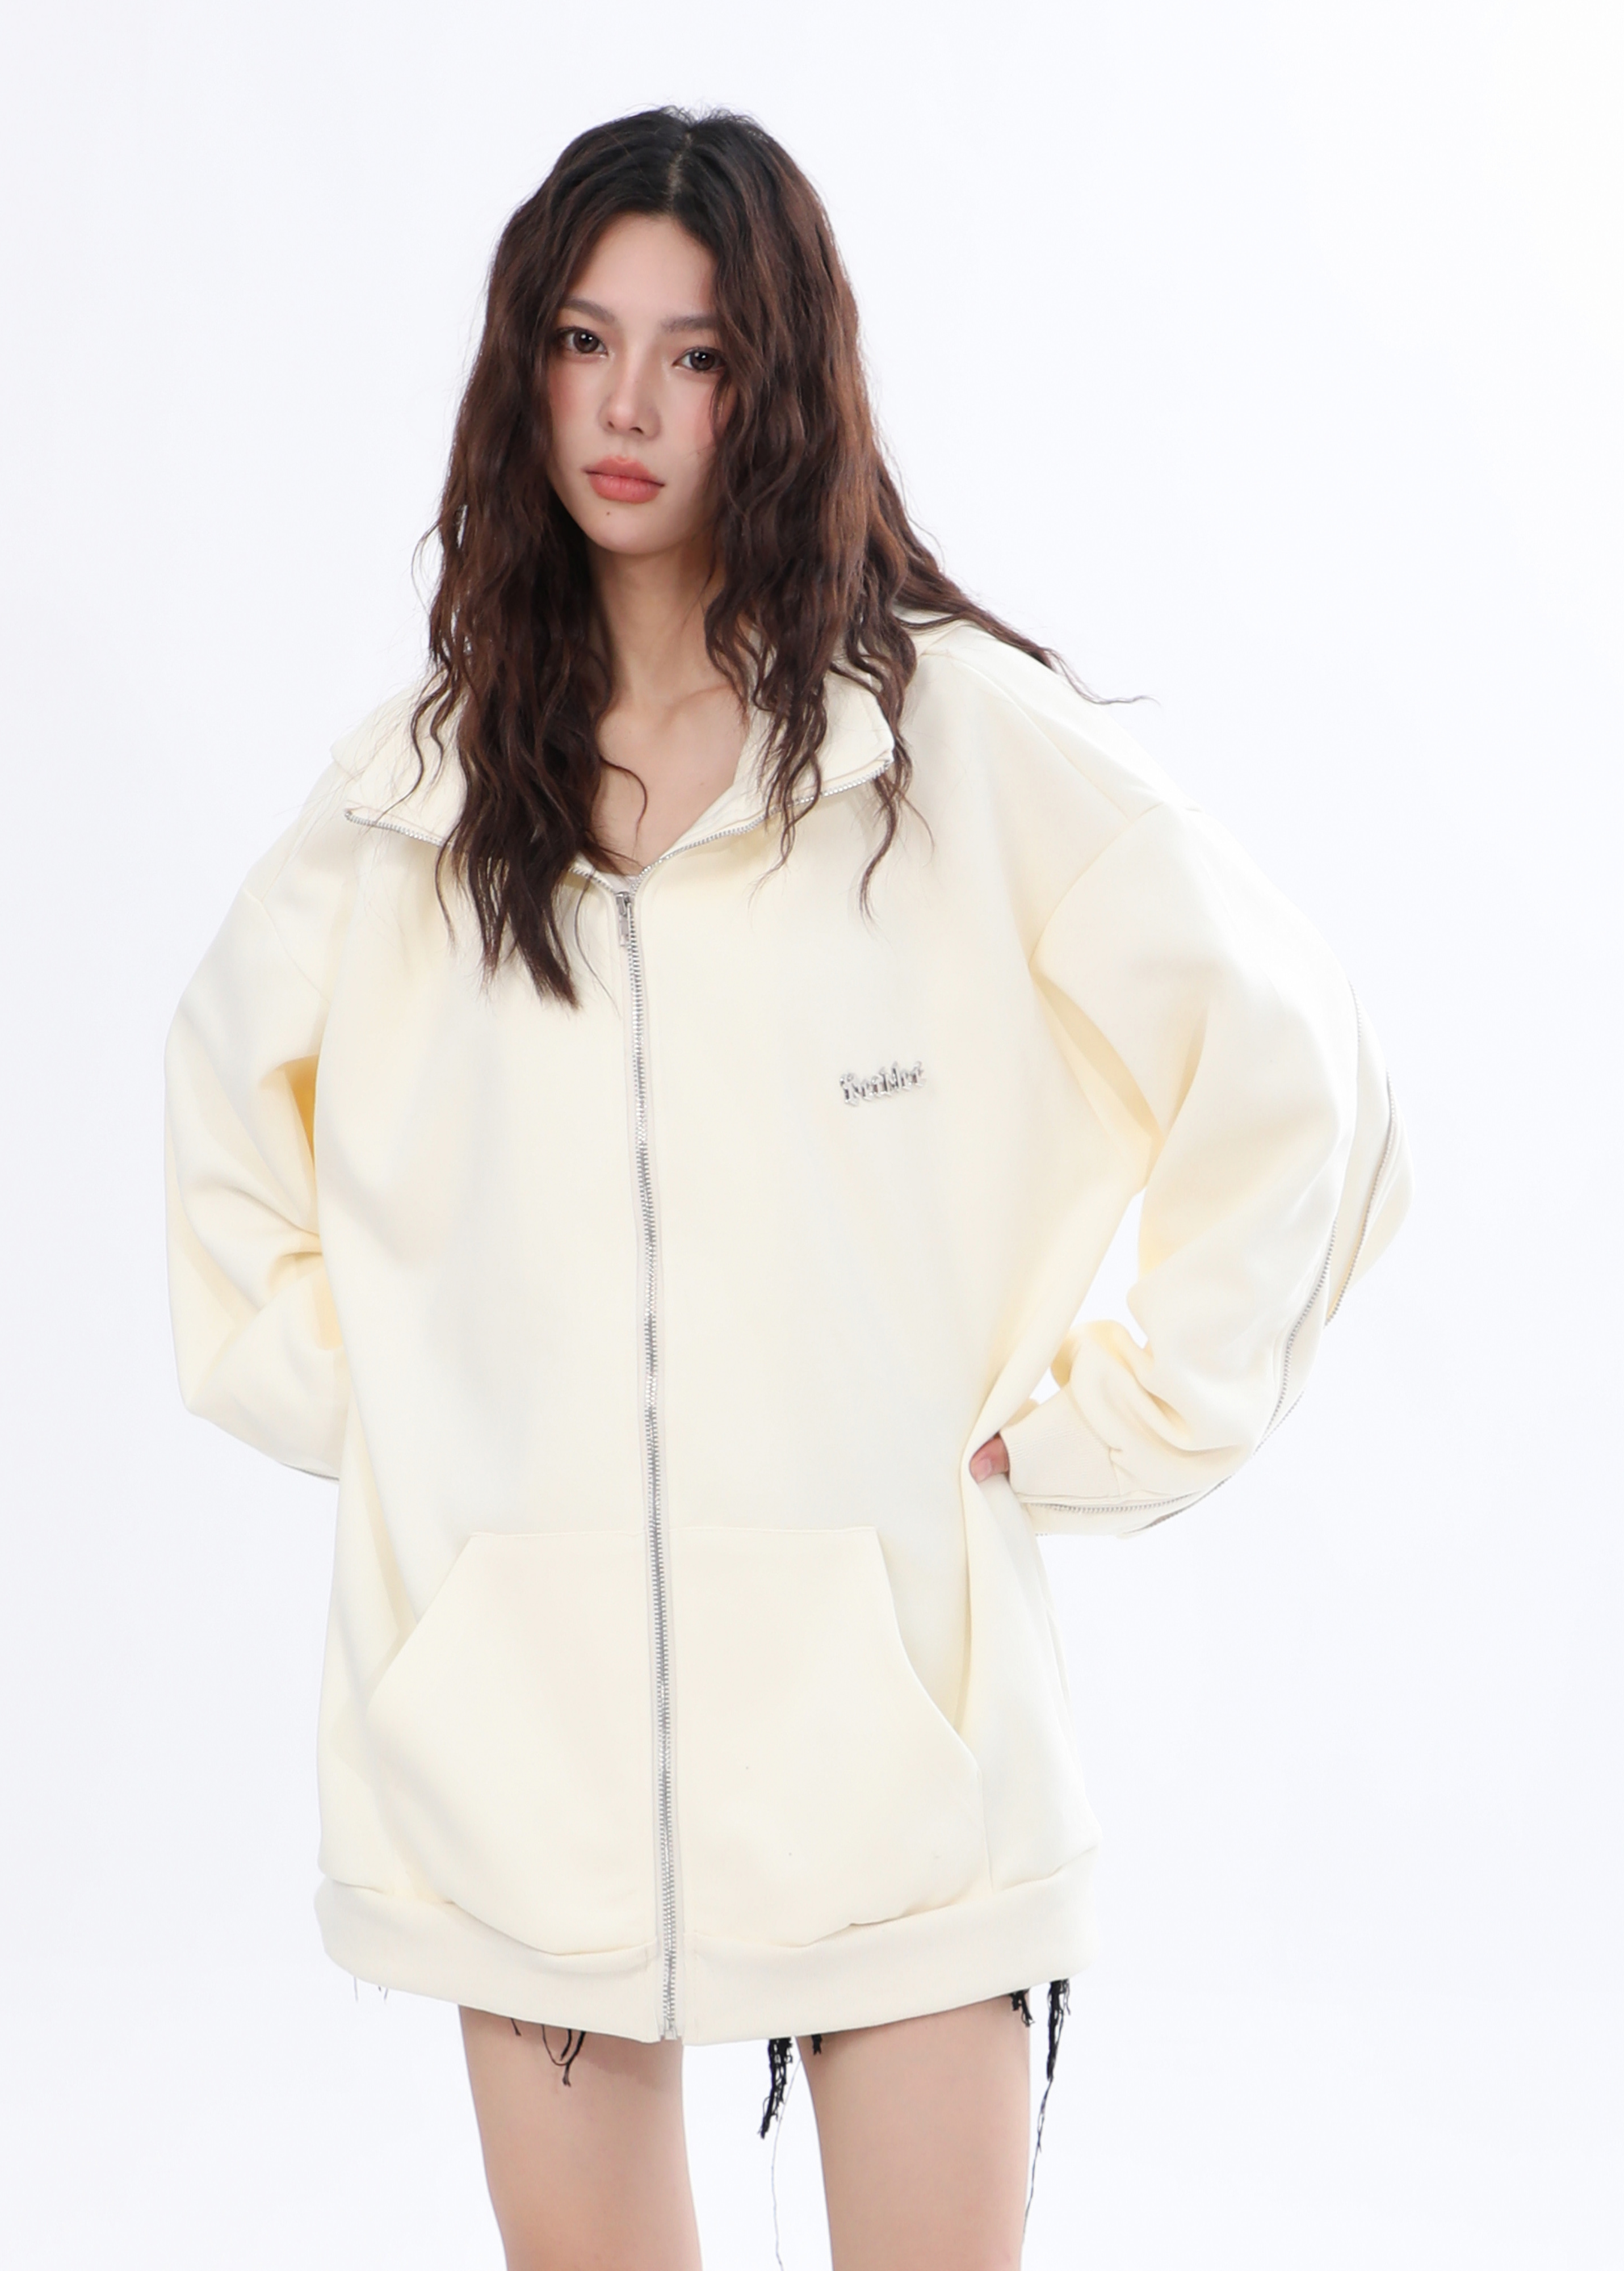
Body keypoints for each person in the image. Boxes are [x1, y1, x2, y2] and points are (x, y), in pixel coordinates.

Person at [163, 106, 1411, 2271]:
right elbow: (217, 1138)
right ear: (524, 368)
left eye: (700, 354)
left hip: (895, 1764)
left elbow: (1294, 1067)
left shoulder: (947, 753)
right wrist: (416, 1432)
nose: (629, 407)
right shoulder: (419, 801)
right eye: (584, 341)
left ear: (784, 384)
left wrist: (1128, 1423)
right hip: (514, 1765)